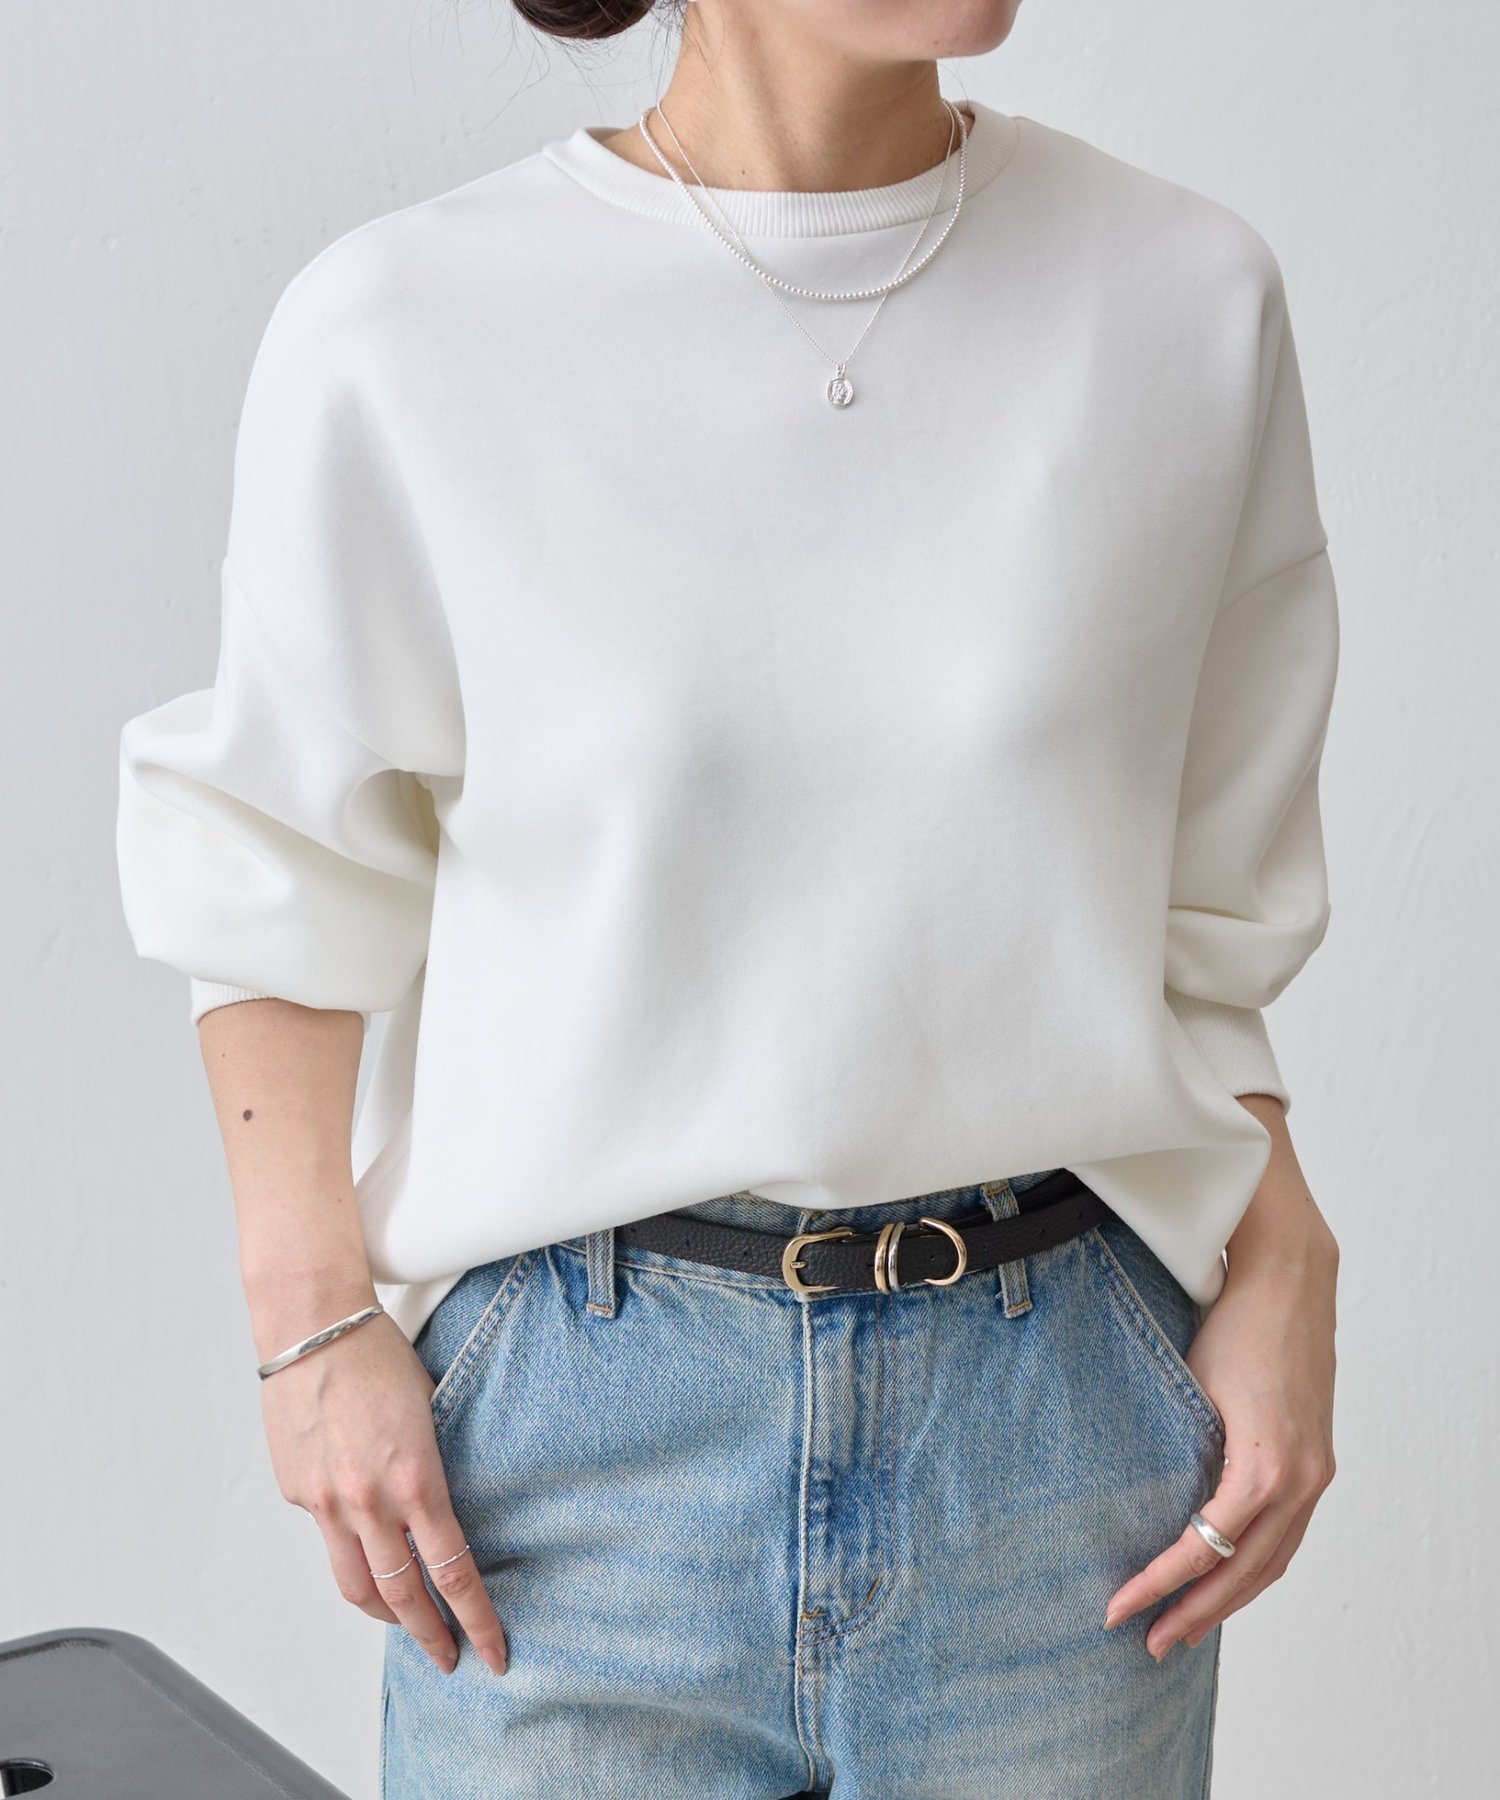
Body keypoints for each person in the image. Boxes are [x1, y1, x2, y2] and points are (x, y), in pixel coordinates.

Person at [114, 1, 1342, 1793]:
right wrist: (309, 1331)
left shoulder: (1184, 298)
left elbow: (1203, 914)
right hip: (573, 1457)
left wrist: (1289, 1250)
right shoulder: (408, 324)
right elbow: (276, 863)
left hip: (1060, 1444)